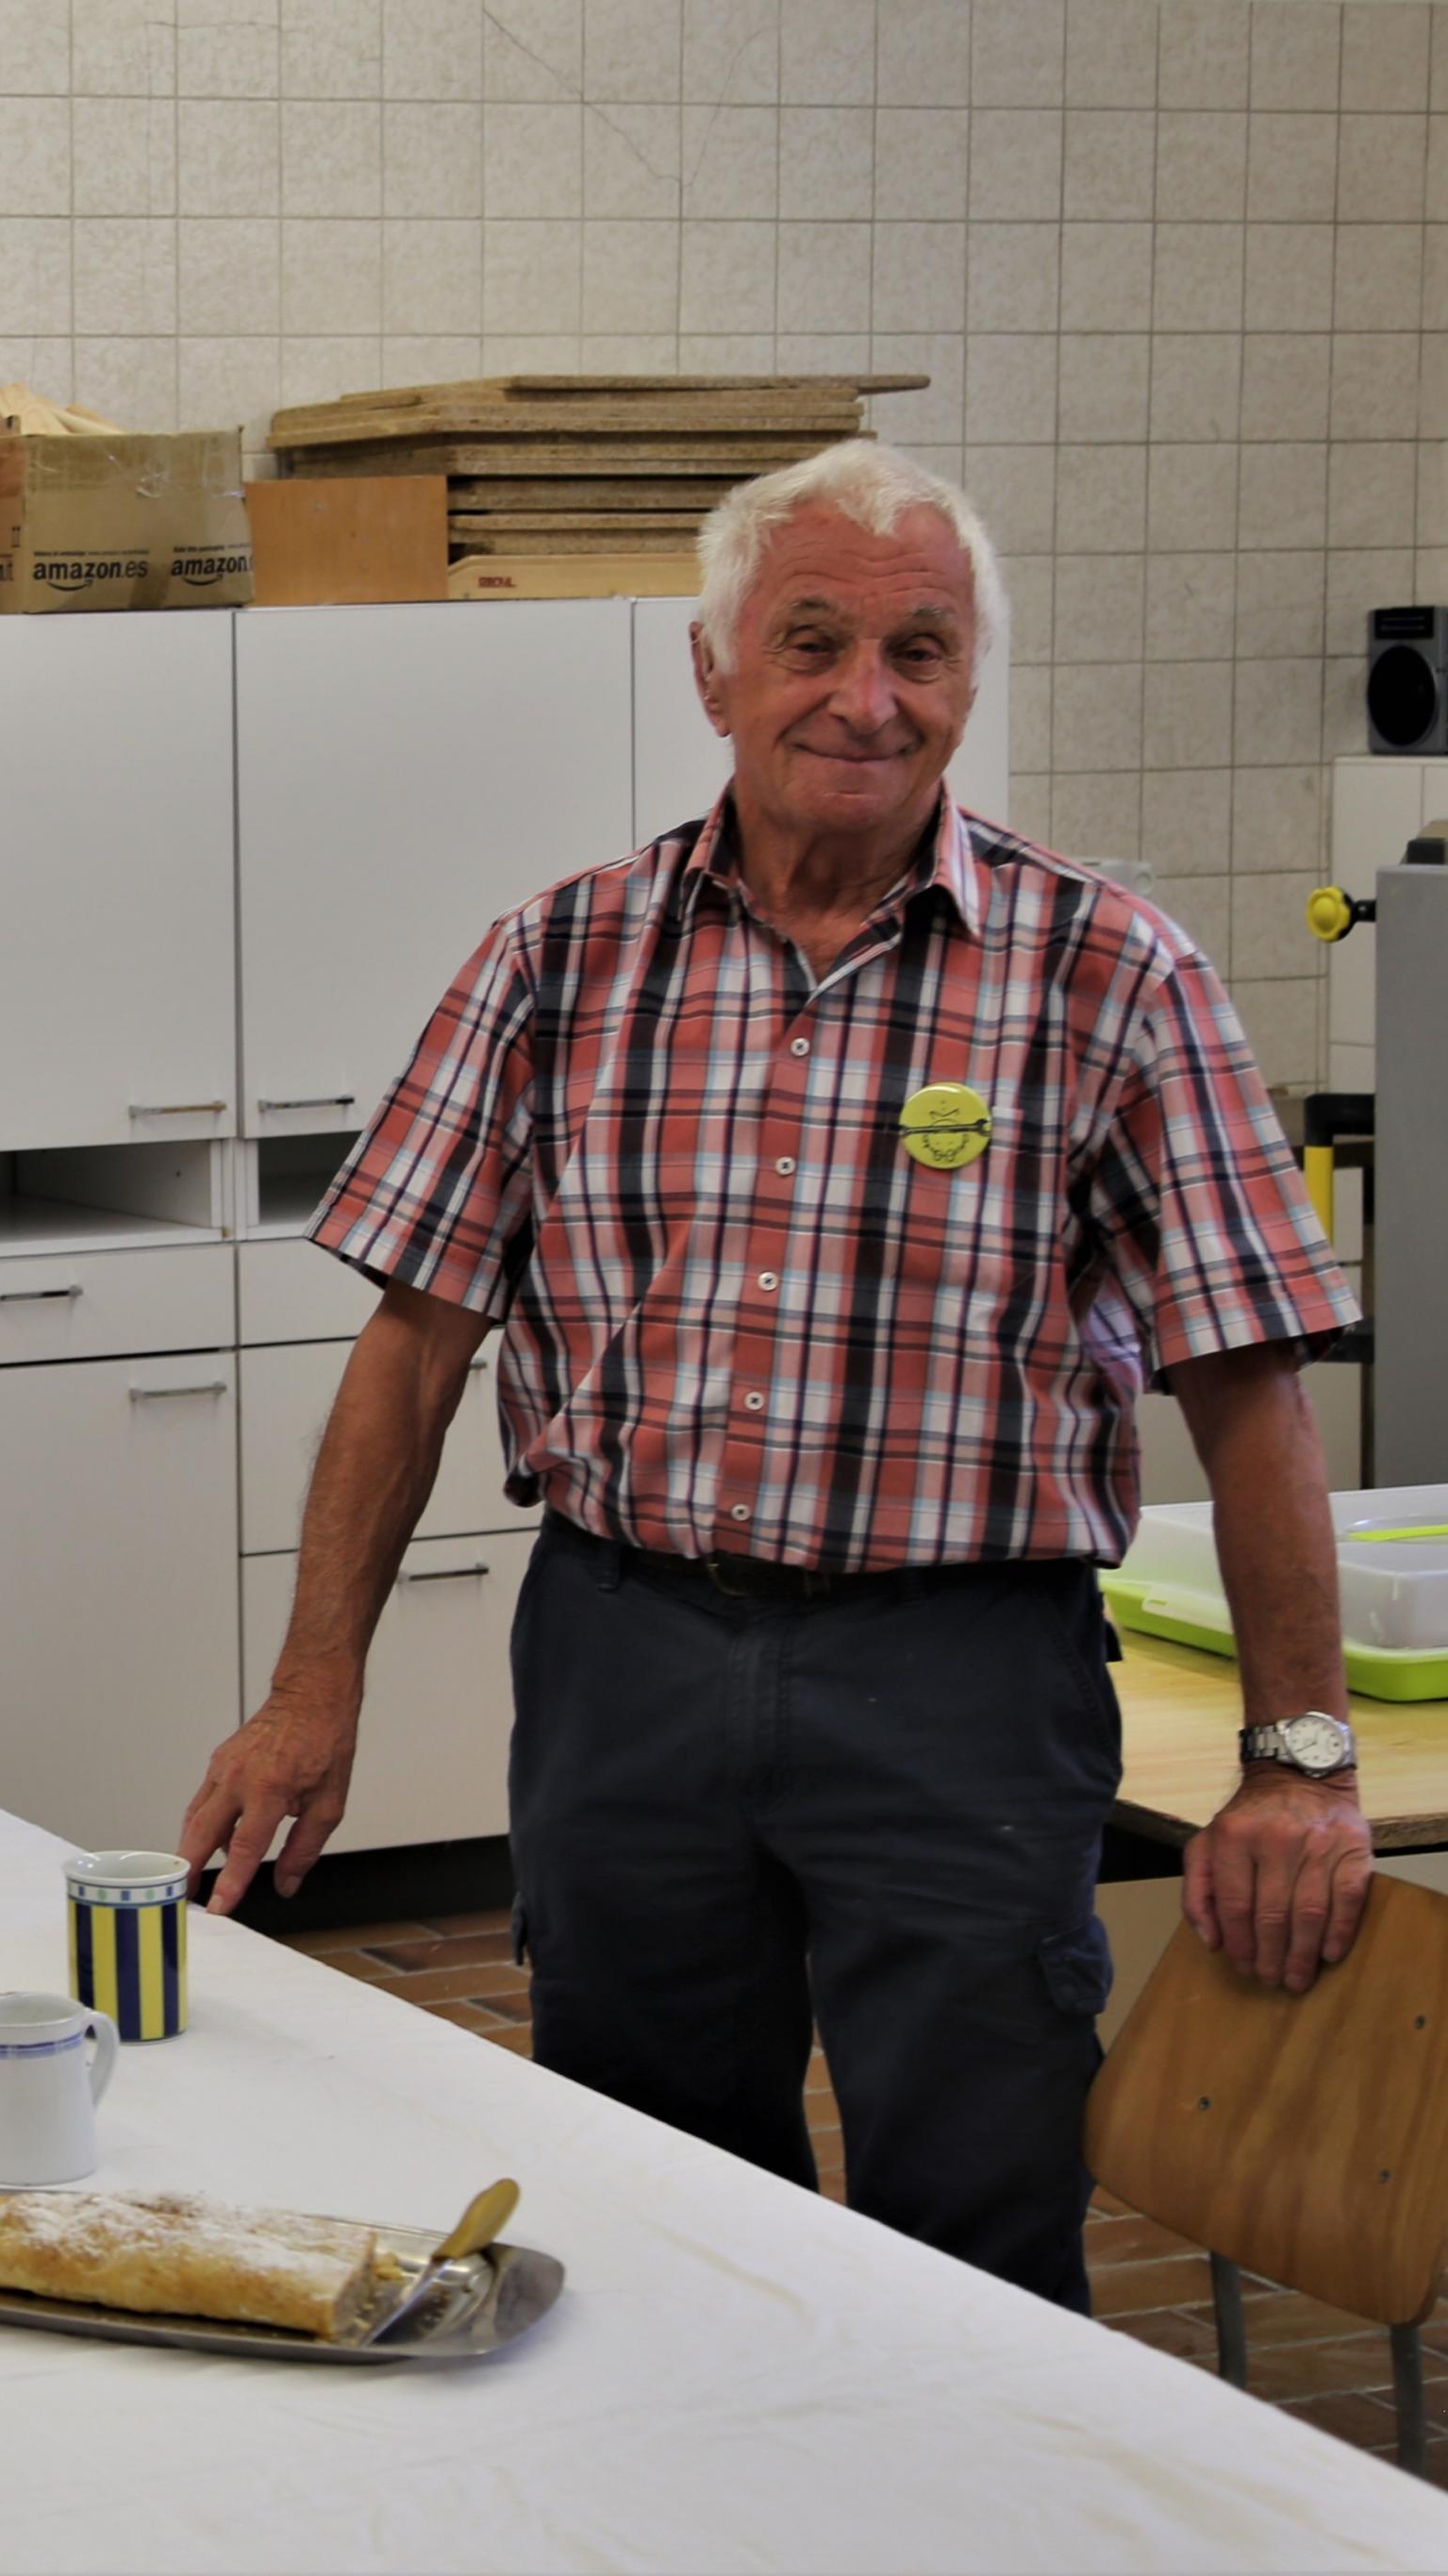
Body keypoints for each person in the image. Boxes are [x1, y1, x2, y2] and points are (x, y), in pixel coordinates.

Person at [174, 442, 1368, 2310]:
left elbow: (1248, 1385)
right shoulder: (561, 956)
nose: (865, 698)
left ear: (969, 678)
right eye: (812, 642)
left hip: (964, 1683)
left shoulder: (1108, 973)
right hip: (625, 1659)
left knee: (975, 2227)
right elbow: (412, 1347)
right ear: (714, 668)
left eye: (920, 650)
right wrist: (308, 1688)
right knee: (646, 2204)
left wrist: (1298, 1758)